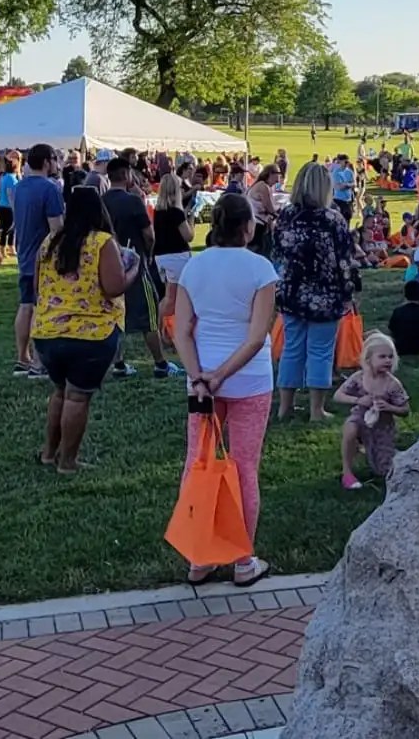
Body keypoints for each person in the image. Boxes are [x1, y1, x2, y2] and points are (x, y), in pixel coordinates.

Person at [173, 194, 279, 587]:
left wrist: (199, 374)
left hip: (201, 381)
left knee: (196, 463)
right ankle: (242, 559)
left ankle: (198, 557)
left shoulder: (193, 267)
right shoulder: (261, 269)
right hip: (249, 379)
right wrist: (220, 375)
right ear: (248, 228)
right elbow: (256, 337)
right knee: (244, 467)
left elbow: (181, 330)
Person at [33, 187, 135, 472]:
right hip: (91, 334)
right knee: (77, 396)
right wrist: (133, 271)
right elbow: (113, 287)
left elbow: (36, 287)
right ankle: (68, 462)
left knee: (60, 391)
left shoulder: (50, 241)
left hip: (47, 332)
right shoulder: (103, 242)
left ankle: (49, 453)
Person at [275, 162, 358, 422]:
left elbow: (277, 254)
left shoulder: (285, 216)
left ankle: (285, 407)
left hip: (291, 293)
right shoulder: (333, 219)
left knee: (292, 349)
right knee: (321, 351)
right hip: (325, 294)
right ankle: (316, 410)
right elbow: (345, 261)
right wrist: (348, 293)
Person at [103, 158, 179, 378]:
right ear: (127, 175)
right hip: (135, 264)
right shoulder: (133, 201)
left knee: (114, 315)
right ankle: (160, 364)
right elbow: (149, 234)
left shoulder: (101, 201)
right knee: (149, 314)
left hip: (109, 264)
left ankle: (118, 364)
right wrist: (147, 253)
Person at [10, 144, 65, 378]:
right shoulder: (49, 188)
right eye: (54, 159)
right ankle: (39, 363)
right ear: (46, 161)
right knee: (43, 309)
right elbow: (57, 229)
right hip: (44, 259)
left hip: (24, 255)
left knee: (26, 306)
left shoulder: (19, 187)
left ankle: (23, 358)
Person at [335, 332, 411, 489]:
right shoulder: (359, 378)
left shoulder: (392, 384)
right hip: (360, 418)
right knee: (350, 428)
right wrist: (357, 400)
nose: (387, 360)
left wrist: (389, 407)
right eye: (382, 357)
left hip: (382, 426)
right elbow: (338, 396)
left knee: (382, 470)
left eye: (390, 356)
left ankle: (377, 451)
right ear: (368, 359)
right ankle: (347, 472)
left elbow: (405, 410)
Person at [153, 171, 196, 334]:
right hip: (176, 255)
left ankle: (162, 328)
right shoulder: (176, 212)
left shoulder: (159, 211)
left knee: (168, 295)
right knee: (173, 297)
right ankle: (163, 330)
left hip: (161, 255)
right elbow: (189, 236)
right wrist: (190, 220)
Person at [0, 156, 20, 250]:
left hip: (1, 205)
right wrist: (14, 208)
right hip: (8, 206)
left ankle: (6, 247)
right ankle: (7, 247)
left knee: (6, 228)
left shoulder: (4, 177)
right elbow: (10, 194)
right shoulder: (11, 178)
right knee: (9, 228)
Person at [330, 154, 357, 224]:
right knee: (339, 221)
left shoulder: (350, 172)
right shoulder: (336, 172)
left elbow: (355, 184)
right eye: (345, 162)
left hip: (348, 200)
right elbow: (338, 187)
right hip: (339, 200)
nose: (346, 164)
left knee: (348, 218)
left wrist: (345, 184)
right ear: (340, 161)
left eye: (347, 162)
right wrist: (349, 184)